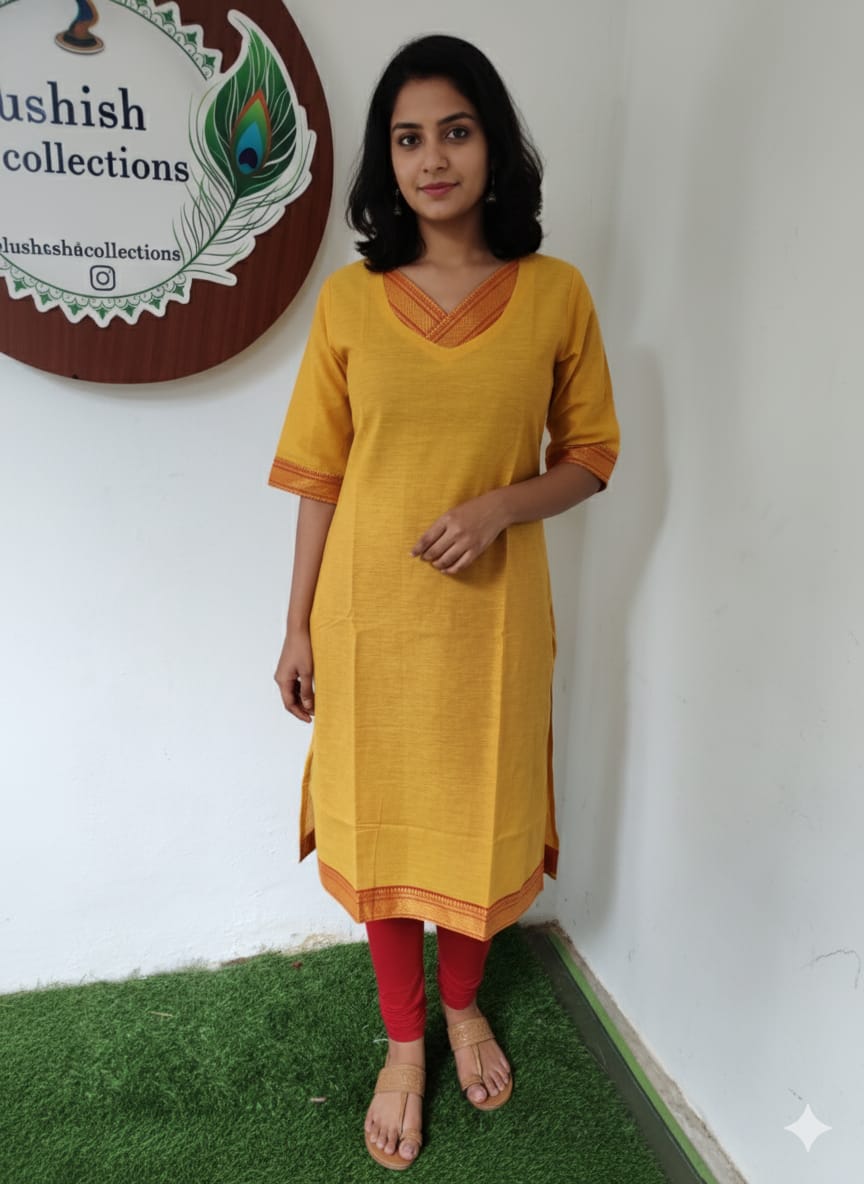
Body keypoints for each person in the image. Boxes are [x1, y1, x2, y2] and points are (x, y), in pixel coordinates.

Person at [269, 33, 620, 1171]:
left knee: (480, 815)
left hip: (492, 623)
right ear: (387, 159)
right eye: (408, 138)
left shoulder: (556, 294)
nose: (432, 159)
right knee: (381, 816)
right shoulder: (350, 301)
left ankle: (464, 1003)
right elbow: (320, 477)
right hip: (367, 619)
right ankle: (406, 1039)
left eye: (455, 132)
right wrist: (296, 624)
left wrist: (501, 506)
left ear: (493, 145)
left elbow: (592, 454)